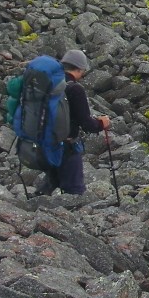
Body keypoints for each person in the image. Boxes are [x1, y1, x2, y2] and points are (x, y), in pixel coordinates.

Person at [36, 49, 111, 196]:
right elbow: (87, 124)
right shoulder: (75, 89)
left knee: (50, 185)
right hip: (67, 147)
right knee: (75, 192)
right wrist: (102, 123)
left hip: (45, 145)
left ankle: (36, 205)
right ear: (79, 69)